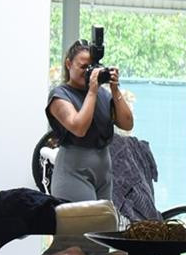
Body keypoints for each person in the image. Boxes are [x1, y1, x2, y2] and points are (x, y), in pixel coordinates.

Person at [45, 39, 132, 204]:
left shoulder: (103, 95)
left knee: (104, 220)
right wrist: (92, 91)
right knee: (88, 219)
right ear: (69, 64)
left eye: (92, 68)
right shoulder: (60, 95)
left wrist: (114, 89)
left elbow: (127, 123)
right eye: (83, 67)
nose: (88, 72)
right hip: (73, 173)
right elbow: (79, 128)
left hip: (103, 173)